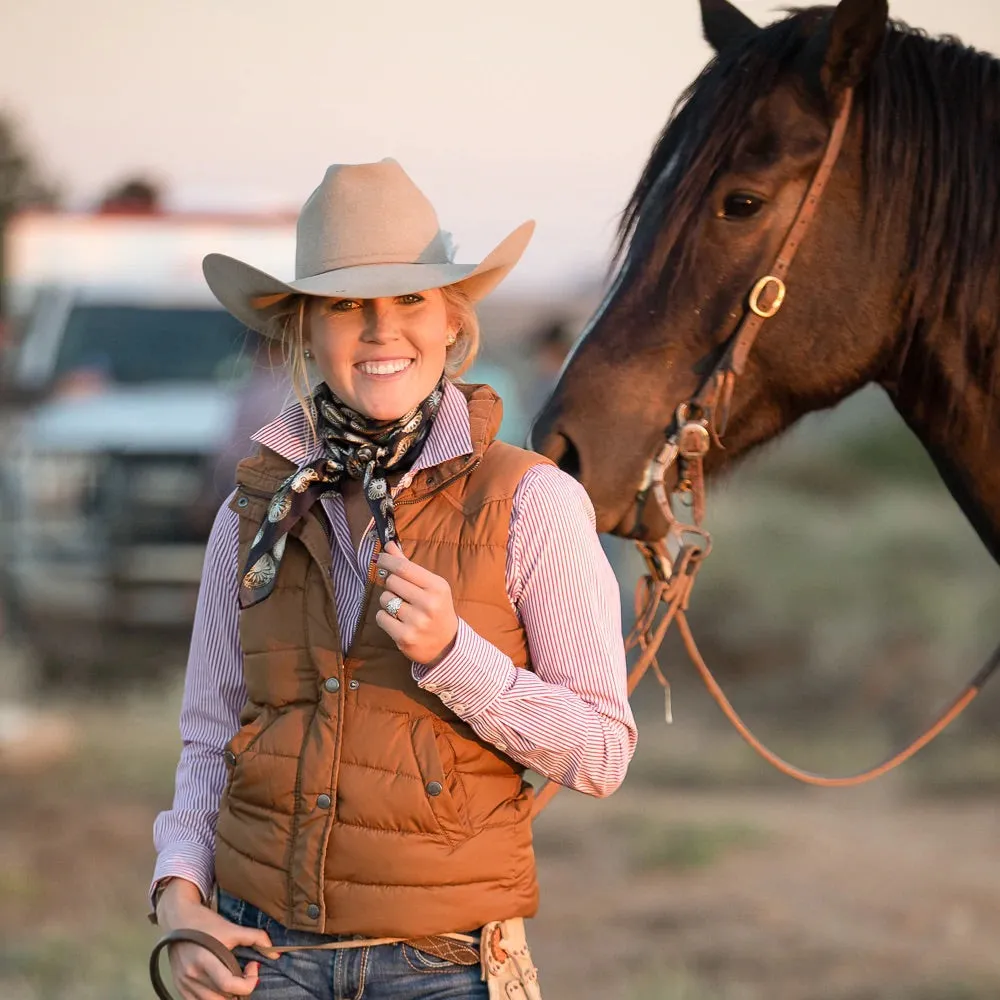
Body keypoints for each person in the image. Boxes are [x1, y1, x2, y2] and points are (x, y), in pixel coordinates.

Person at [150, 158, 636, 1000]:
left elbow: (600, 753)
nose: (381, 330)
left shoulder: (532, 502)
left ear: (452, 321)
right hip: (259, 956)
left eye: (409, 300)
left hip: (444, 968)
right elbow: (210, 737)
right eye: (345, 304)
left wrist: (456, 652)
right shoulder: (252, 512)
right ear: (305, 330)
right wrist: (180, 901)